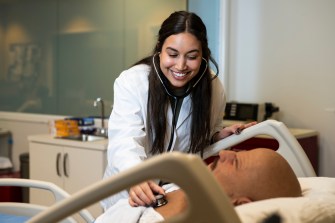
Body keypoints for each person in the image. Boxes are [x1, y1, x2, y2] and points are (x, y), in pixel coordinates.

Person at [101, 10, 256, 210]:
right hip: (130, 190)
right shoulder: (133, 81)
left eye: (192, 56)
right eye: (172, 54)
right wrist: (136, 176)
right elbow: (124, 140)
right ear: (159, 49)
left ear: (203, 55)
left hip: (175, 191)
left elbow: (204, 133)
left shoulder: (213, 88)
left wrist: (218, 136)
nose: (181, 66)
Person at [95, 148, 301, 222]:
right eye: (237, 152)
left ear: (239, 202)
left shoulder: (189, 216)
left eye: (236, 161)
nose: (224, 153)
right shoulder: (183, 188)